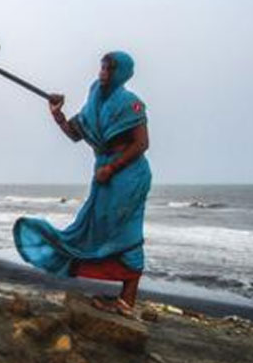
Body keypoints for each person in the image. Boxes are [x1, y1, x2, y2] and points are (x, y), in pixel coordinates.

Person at [13, 51, 151, 313]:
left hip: (129, 176)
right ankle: (122, 296)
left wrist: (113, 166)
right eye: (101, 68)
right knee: (97, 228)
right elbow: (74, 133)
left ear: (120, 73)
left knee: (125, 231)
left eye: (108, 69)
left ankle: (127, 299)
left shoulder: (131, 103)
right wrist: (58, 115)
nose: (102, 74)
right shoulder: (94, 103)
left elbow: (142, 143)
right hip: (104, 175)